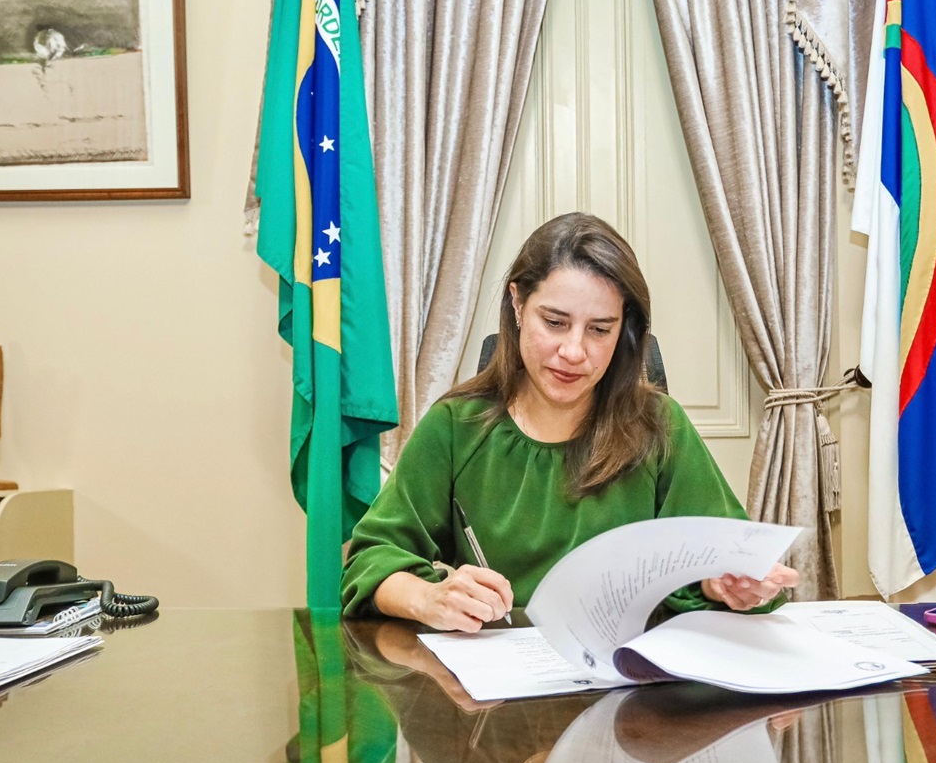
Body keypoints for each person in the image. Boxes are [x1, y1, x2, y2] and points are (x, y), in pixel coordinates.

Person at [341, 212, 798, 630]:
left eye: (600, 329)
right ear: (517, 305)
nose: (575, 352)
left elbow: (727, 563)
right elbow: (370, 560)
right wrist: (429, 597)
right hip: (494, 702)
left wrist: (726, 586)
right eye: (555, 322)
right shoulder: (455, 426)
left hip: (627, 697)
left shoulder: (659, 424)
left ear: (625, 330)